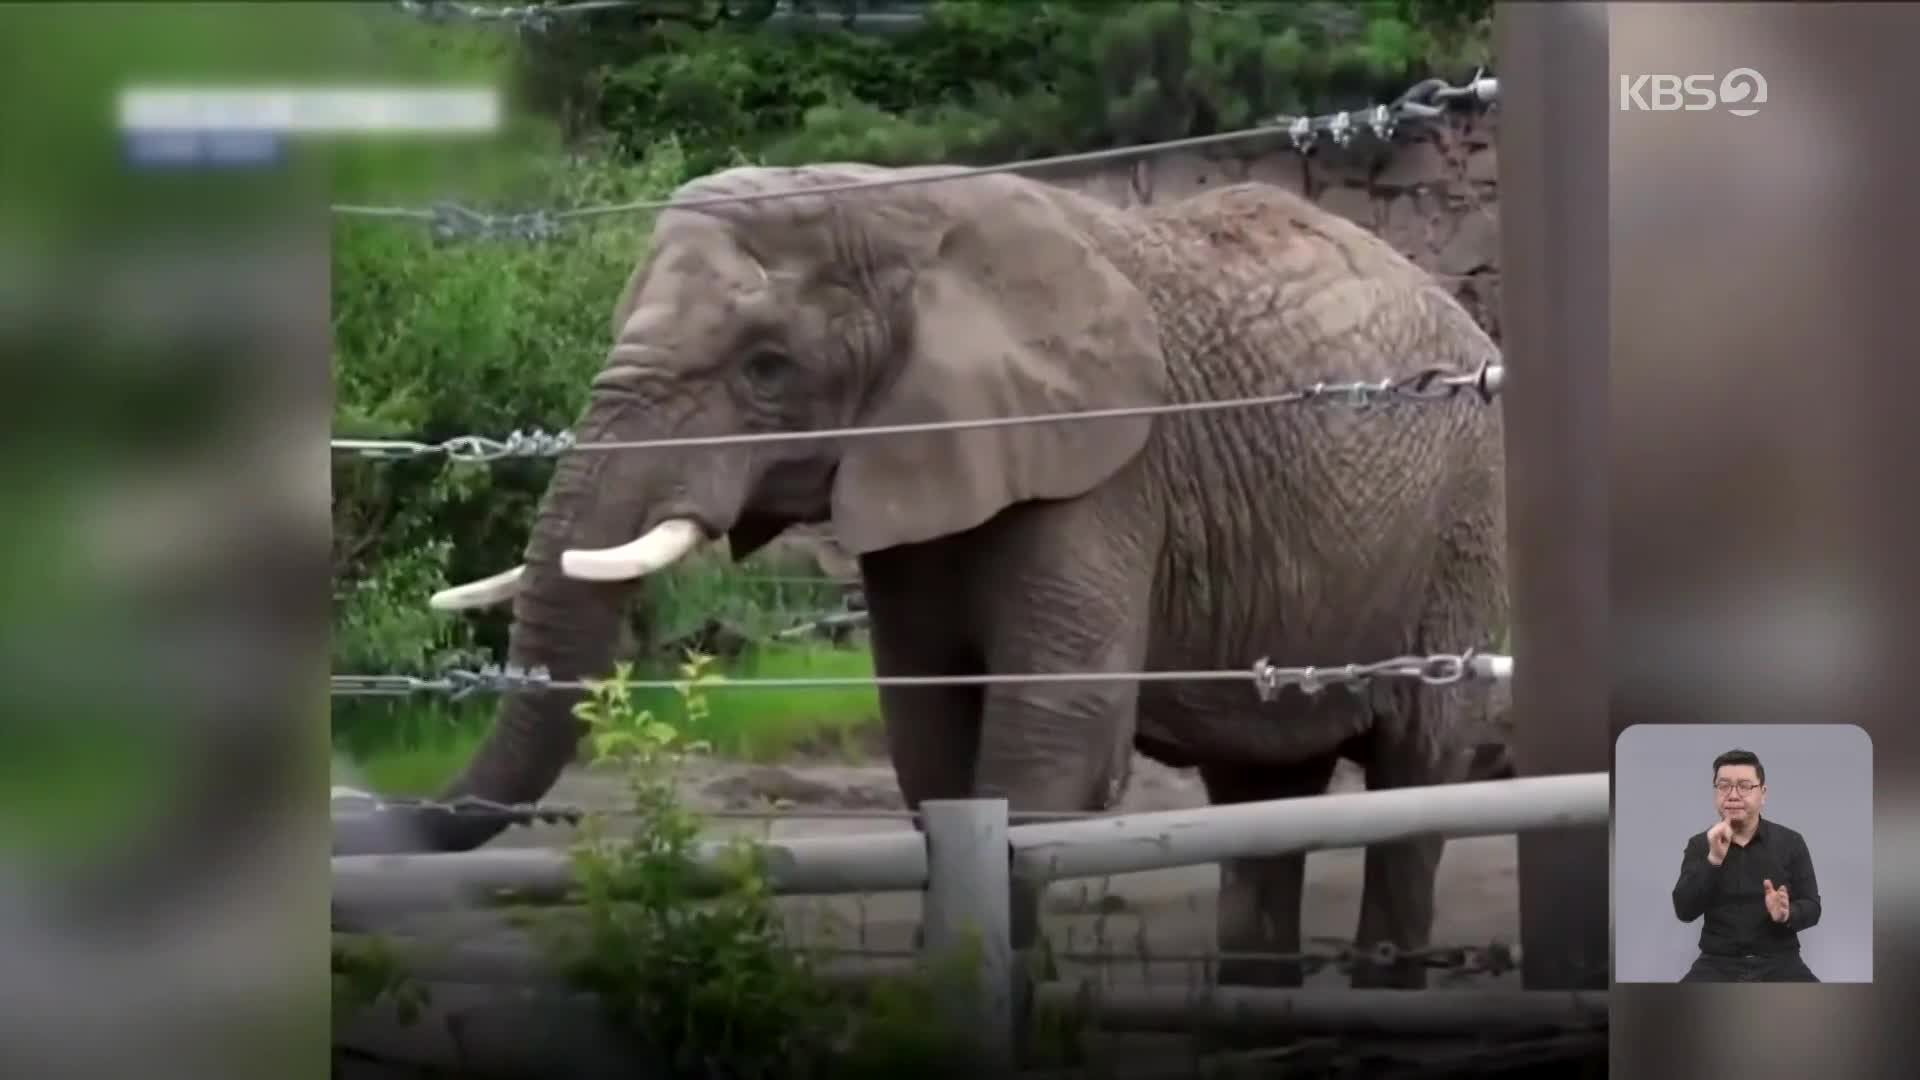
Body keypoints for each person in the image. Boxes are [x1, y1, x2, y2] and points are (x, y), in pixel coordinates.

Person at [1670, 748, 1822, 981]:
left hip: (1781, 962)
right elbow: (1684, 910)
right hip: (1717, 964)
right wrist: (1713, 860)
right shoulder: (1701, 844)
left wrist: (1787, 913)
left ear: (1763, 793)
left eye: (1744, 786)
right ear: (1715, 792)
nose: (1732, 795)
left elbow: (1813, 906)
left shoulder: (1791, 841)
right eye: (1723, 786)